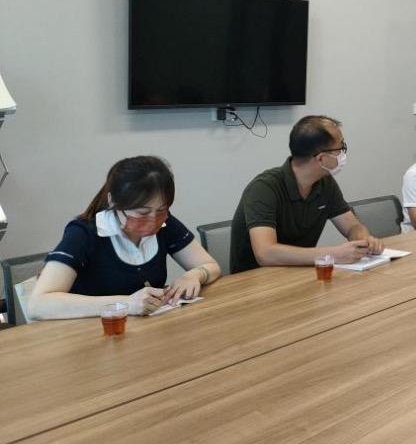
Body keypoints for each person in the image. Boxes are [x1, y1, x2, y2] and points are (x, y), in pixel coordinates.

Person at [29, 156, 221, 319]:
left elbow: (210, 265)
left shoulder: (165, 224)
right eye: (142, 213)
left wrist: (194, 275)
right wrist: (127, 304)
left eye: (161, 210)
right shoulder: (84, 233)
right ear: (113, 201)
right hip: (90, 335)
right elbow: (38, 304)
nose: (153, 220)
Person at [230, 115, 383, 273]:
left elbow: (352, 226)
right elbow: (266, 254)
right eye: (340, 148)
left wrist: (363, 241)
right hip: (255, 281)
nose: (342, 154)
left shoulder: (325, 183)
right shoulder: (264, 188)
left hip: (300, 274)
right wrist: (334, 254)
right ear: (321, 158)